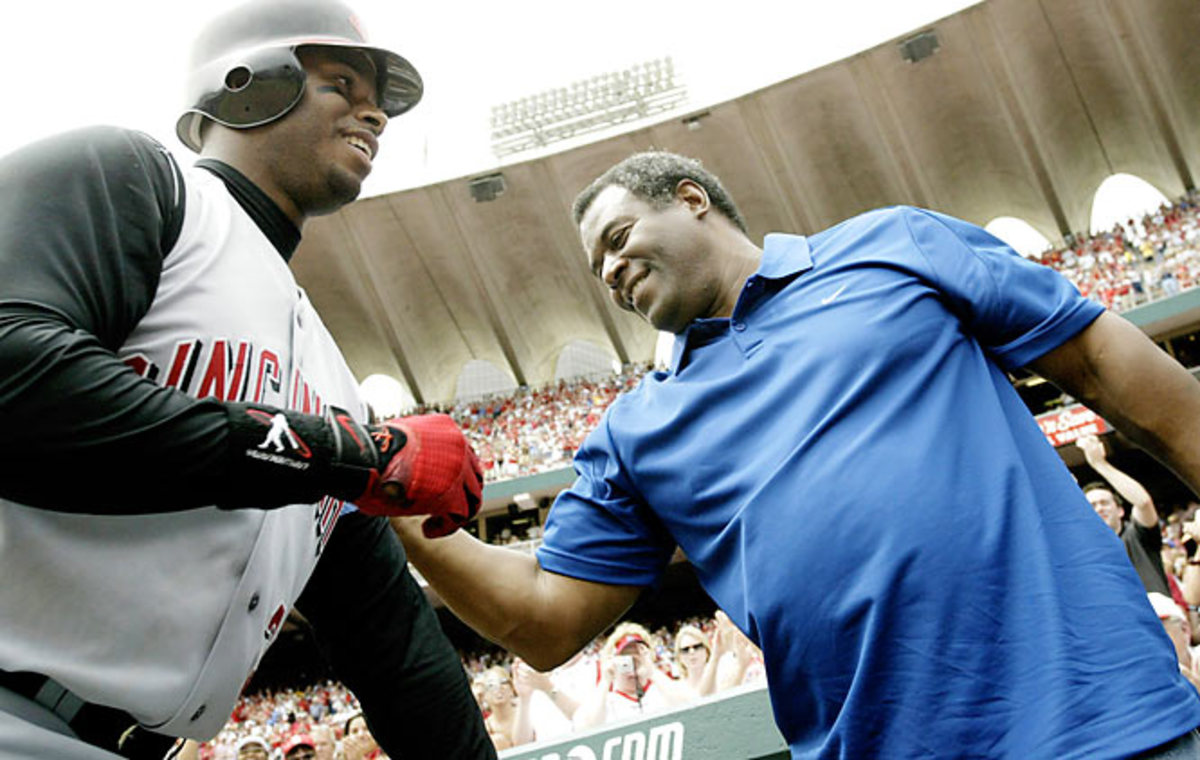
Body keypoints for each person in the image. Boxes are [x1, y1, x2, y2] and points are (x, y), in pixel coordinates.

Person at [392, 150, 1200, 758]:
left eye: (617, 236)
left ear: (691, 198)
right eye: (595, 263)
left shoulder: (893, 246)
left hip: (1109, 718)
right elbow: (540, 619)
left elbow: (1105, 367)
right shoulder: (636, 431)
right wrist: (387, 496)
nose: (606, 270)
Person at [0, 1, 493, 759]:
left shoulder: (331, 379)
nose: (376, 114)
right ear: (248, 84)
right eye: (342, 83)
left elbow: (393, 650)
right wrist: (348, 455)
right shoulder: (135, 182)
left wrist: (349, 452)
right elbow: (16, 379)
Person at [1076, 432, 1175, 596]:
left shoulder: (1136, 536)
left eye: (1105, 503)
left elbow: (1143, 503)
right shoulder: (1084, 551)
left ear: (1120, 511)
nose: (1100, 508)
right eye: (1092, 506)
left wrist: (1100, 464)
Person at [569, 623, 693, 730]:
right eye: (625, 659)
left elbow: (693, 708)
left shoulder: (664, 691)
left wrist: (651, 670)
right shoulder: (606, 702)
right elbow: (584, 727)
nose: (632, 666)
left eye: (637, 658)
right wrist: (605, 680)